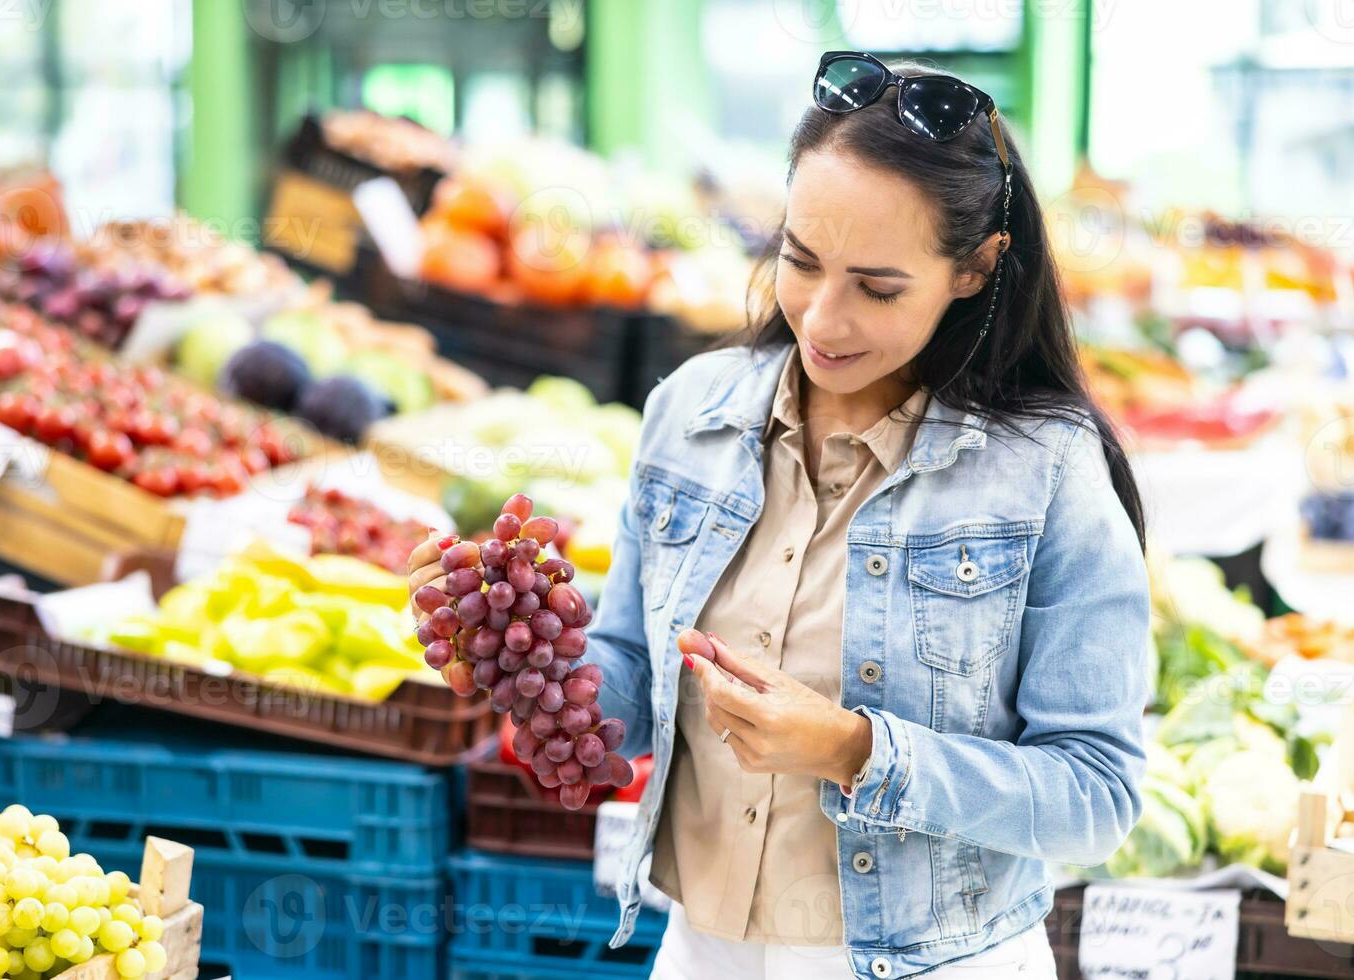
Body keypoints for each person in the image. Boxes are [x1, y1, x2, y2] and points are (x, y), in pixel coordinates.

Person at [409, 53, 1151, 980]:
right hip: (700, 949)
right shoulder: (692, 412)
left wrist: (856, 749)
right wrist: (528, 651)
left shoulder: (1042, 470)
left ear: (975, 268)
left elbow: (1098, 793)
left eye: (877, 287)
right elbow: (633, 686)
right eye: (800, 261)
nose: (823, 320)